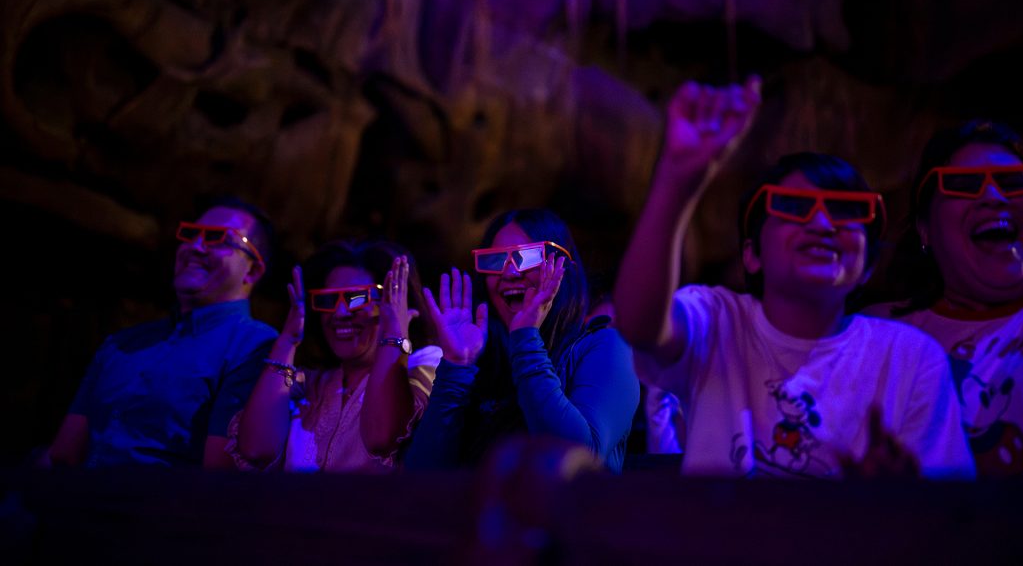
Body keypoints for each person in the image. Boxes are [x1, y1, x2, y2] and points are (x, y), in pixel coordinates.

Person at [615, 78, 973, 478]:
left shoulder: (910, 358)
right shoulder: (718, 323)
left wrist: (893, 495)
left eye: (846, 211)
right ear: (752, 254)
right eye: (794, 207)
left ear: (869, 265)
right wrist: (676, 180)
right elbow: (638, 323)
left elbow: (950, 507)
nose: (821, 224)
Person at [46, 197, 277, 468]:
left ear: (253, 270)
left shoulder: (255, 346)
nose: (195, 247)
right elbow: (63, 453)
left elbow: (219, 472)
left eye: (217, 238)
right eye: (191, 234)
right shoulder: (121, 343)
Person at [405, 209, 640, 472]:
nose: (510, 273)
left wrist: (526, 339)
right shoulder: (486, 358)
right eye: (496, 260)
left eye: (527, 257)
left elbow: (577, 456)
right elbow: (420, 477)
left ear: (563, 267)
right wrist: (456, 366)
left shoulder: (605, 347)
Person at [866, 120, 1023, 477]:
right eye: (964, 185)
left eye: (1014, 182)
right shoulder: (876, 333)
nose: (994, 196)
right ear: (925, 229)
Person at [229, 239, 442, 472]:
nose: (340, 313)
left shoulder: (423, 364)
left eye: (356, 299)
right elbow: (256, 450)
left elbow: (382, 439)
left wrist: (394, 335)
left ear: (394, 299)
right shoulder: (310, 384)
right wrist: (287, 341)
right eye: (328, 301)